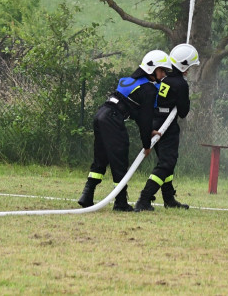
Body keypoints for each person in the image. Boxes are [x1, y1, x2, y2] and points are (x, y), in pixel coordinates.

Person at [76, 50, 171, 212]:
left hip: (101, 115)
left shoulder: (130, 81)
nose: (163, 75)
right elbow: (145, 118)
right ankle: (120, 202)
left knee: (101, 157)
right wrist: (147, 144)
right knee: (119, 159)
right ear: (151, 69)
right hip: (113, 119)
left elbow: (133, 111)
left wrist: (148, 131)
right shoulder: (148, 89)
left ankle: (87, 196)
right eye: (162, 70)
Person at [133, 42, 195, 212]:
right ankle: (144, 199)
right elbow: (183, 112)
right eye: (189, 66)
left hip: (156, 122)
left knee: (165, 162)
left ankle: (168, 198)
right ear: (183, 65)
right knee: (167, 163)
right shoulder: (181, 84)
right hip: (167, 127)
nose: (189, 70)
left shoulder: (165, 79)